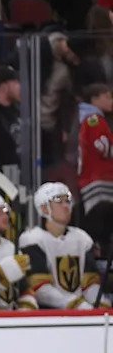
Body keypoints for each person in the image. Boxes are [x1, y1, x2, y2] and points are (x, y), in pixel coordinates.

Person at [19, 182, 105, 309]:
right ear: (44, 208)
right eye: (59, 201)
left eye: (68, 201)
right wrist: (78, 305)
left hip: (81, 310)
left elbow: (90, 282)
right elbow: (40, 288)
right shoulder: (31, 240)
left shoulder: (82, 238)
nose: (66, 206)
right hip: (49, 314)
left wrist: (101, 304)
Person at [77, 82, 113, 259]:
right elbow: (102, 146)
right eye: (107, 96)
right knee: (99, 223)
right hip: (97, 181)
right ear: (94, 99)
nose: (111, 100)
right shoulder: (93, 119)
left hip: (94, 179)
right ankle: (97, 257)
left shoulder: (89, 118)